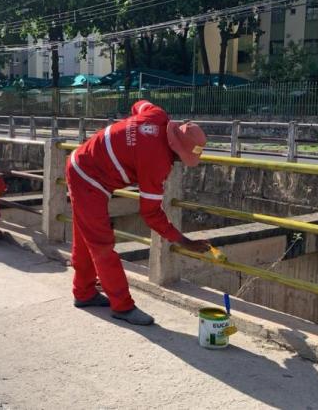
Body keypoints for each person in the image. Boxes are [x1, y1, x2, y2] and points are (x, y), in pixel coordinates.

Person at [66, 100, 211, 325]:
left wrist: (126, 139)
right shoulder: (157, 162)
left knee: (86, 238)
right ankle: (122, 307)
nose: (179, 163)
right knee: (101, 243)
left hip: (84, 161)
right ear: (175, 150)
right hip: (89, 177)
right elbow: (151, 214)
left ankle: (84, 292)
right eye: (181, 158)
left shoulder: (157, 114)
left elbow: (138, 105)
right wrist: (183, 240)